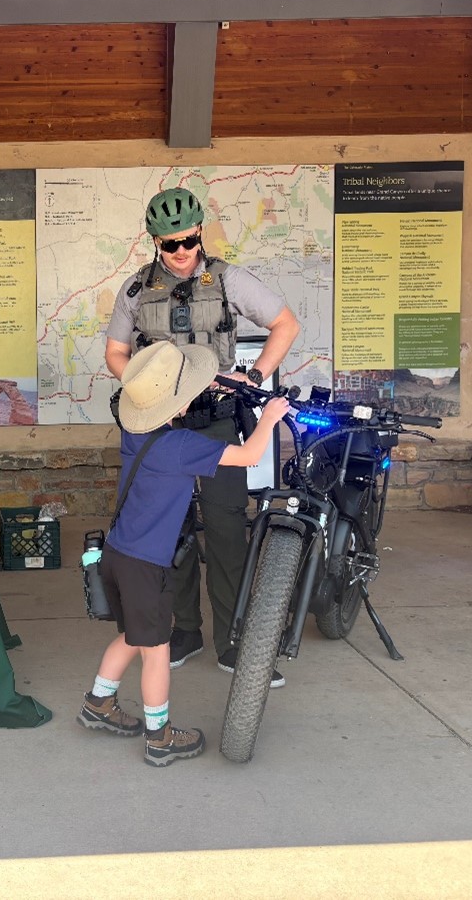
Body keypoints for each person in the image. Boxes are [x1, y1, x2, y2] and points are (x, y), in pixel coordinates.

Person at [104, 187, 300, 681]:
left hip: (215, 419)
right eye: (170, 245)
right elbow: (114, 353)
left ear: (200, 233)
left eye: (189, 240)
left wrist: (253, 378)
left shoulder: (229, 280)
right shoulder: (134, 291)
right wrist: (144, 389)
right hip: (162, 427)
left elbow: (284, 324)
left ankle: (233, 642)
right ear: (154, 242)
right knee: (171, 533)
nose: (182, 253)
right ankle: (184, 630)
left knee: (227, 529)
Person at [78, 341, 290, 766]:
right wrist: (269, 418)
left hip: (117, 555)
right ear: (182, 402)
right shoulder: (184, 447)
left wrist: (195, 386)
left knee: (131, 634)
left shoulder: (136, 432)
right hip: (145, 565)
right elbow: (248, 454)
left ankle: (98, 702)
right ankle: (160, 737)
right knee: (155, 651)